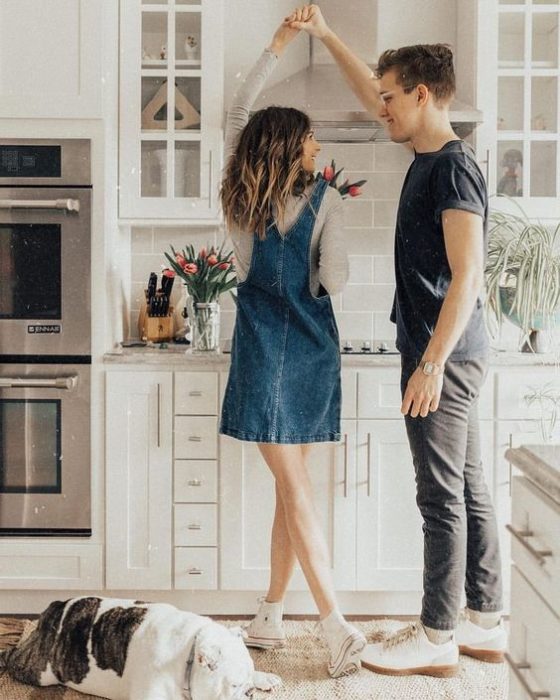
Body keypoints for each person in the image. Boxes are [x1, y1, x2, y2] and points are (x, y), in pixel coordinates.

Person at [287, 5, 506, 678]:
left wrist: (431, 363)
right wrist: (325, 35)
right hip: (452, 349)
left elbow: (467, 273)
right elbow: (371, 89)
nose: (378, 108)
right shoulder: (430, 153)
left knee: (438, 493)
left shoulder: (452, 168)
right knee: (466, 487)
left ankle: (438, 633)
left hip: (446, 351)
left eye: (389, 98)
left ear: (420, 95)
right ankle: (484, 619)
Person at [218, 18, 366, 678]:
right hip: (310, 351)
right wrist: (331, 246)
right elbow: (333, 280)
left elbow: (237, 111)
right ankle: (333, 625)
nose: (317, 145)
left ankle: (275, 613)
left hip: (263, 348)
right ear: (291, 148)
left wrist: (276, 43)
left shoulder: (242, 197)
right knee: (295, 488)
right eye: (310, 139)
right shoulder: (327, 200)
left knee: (291, 489)